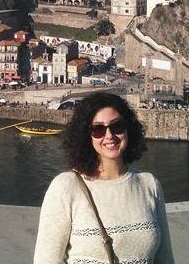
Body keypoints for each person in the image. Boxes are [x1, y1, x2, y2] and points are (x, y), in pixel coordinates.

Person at [34, 92, 175, 263]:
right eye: (98, 129)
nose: (109, 136)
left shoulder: (149, 185)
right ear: (87, 136)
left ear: (128, 129)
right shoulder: (66, 187)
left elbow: (165, 258)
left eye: (117, 126)